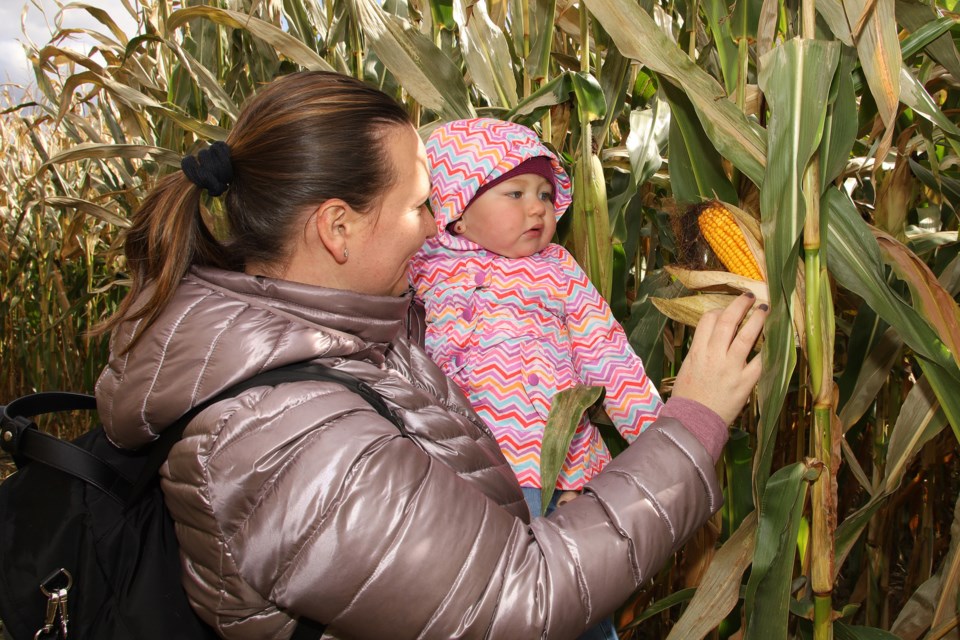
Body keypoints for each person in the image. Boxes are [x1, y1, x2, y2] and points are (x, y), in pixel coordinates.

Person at [95, 70, 767, 640]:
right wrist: (690, 426)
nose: (436, 226)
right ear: (337, 228)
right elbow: (519, 597)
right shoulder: (288, 438)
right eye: (422, 205)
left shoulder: (354, 334)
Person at [409, 118, 663, 525]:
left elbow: (606, 352)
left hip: (561, 467)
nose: (537, 207)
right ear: (458, 209)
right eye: (515, 193)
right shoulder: (424, 267)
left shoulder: (556, 269)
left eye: (545, 195)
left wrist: (657, 442)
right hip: (462, 476)